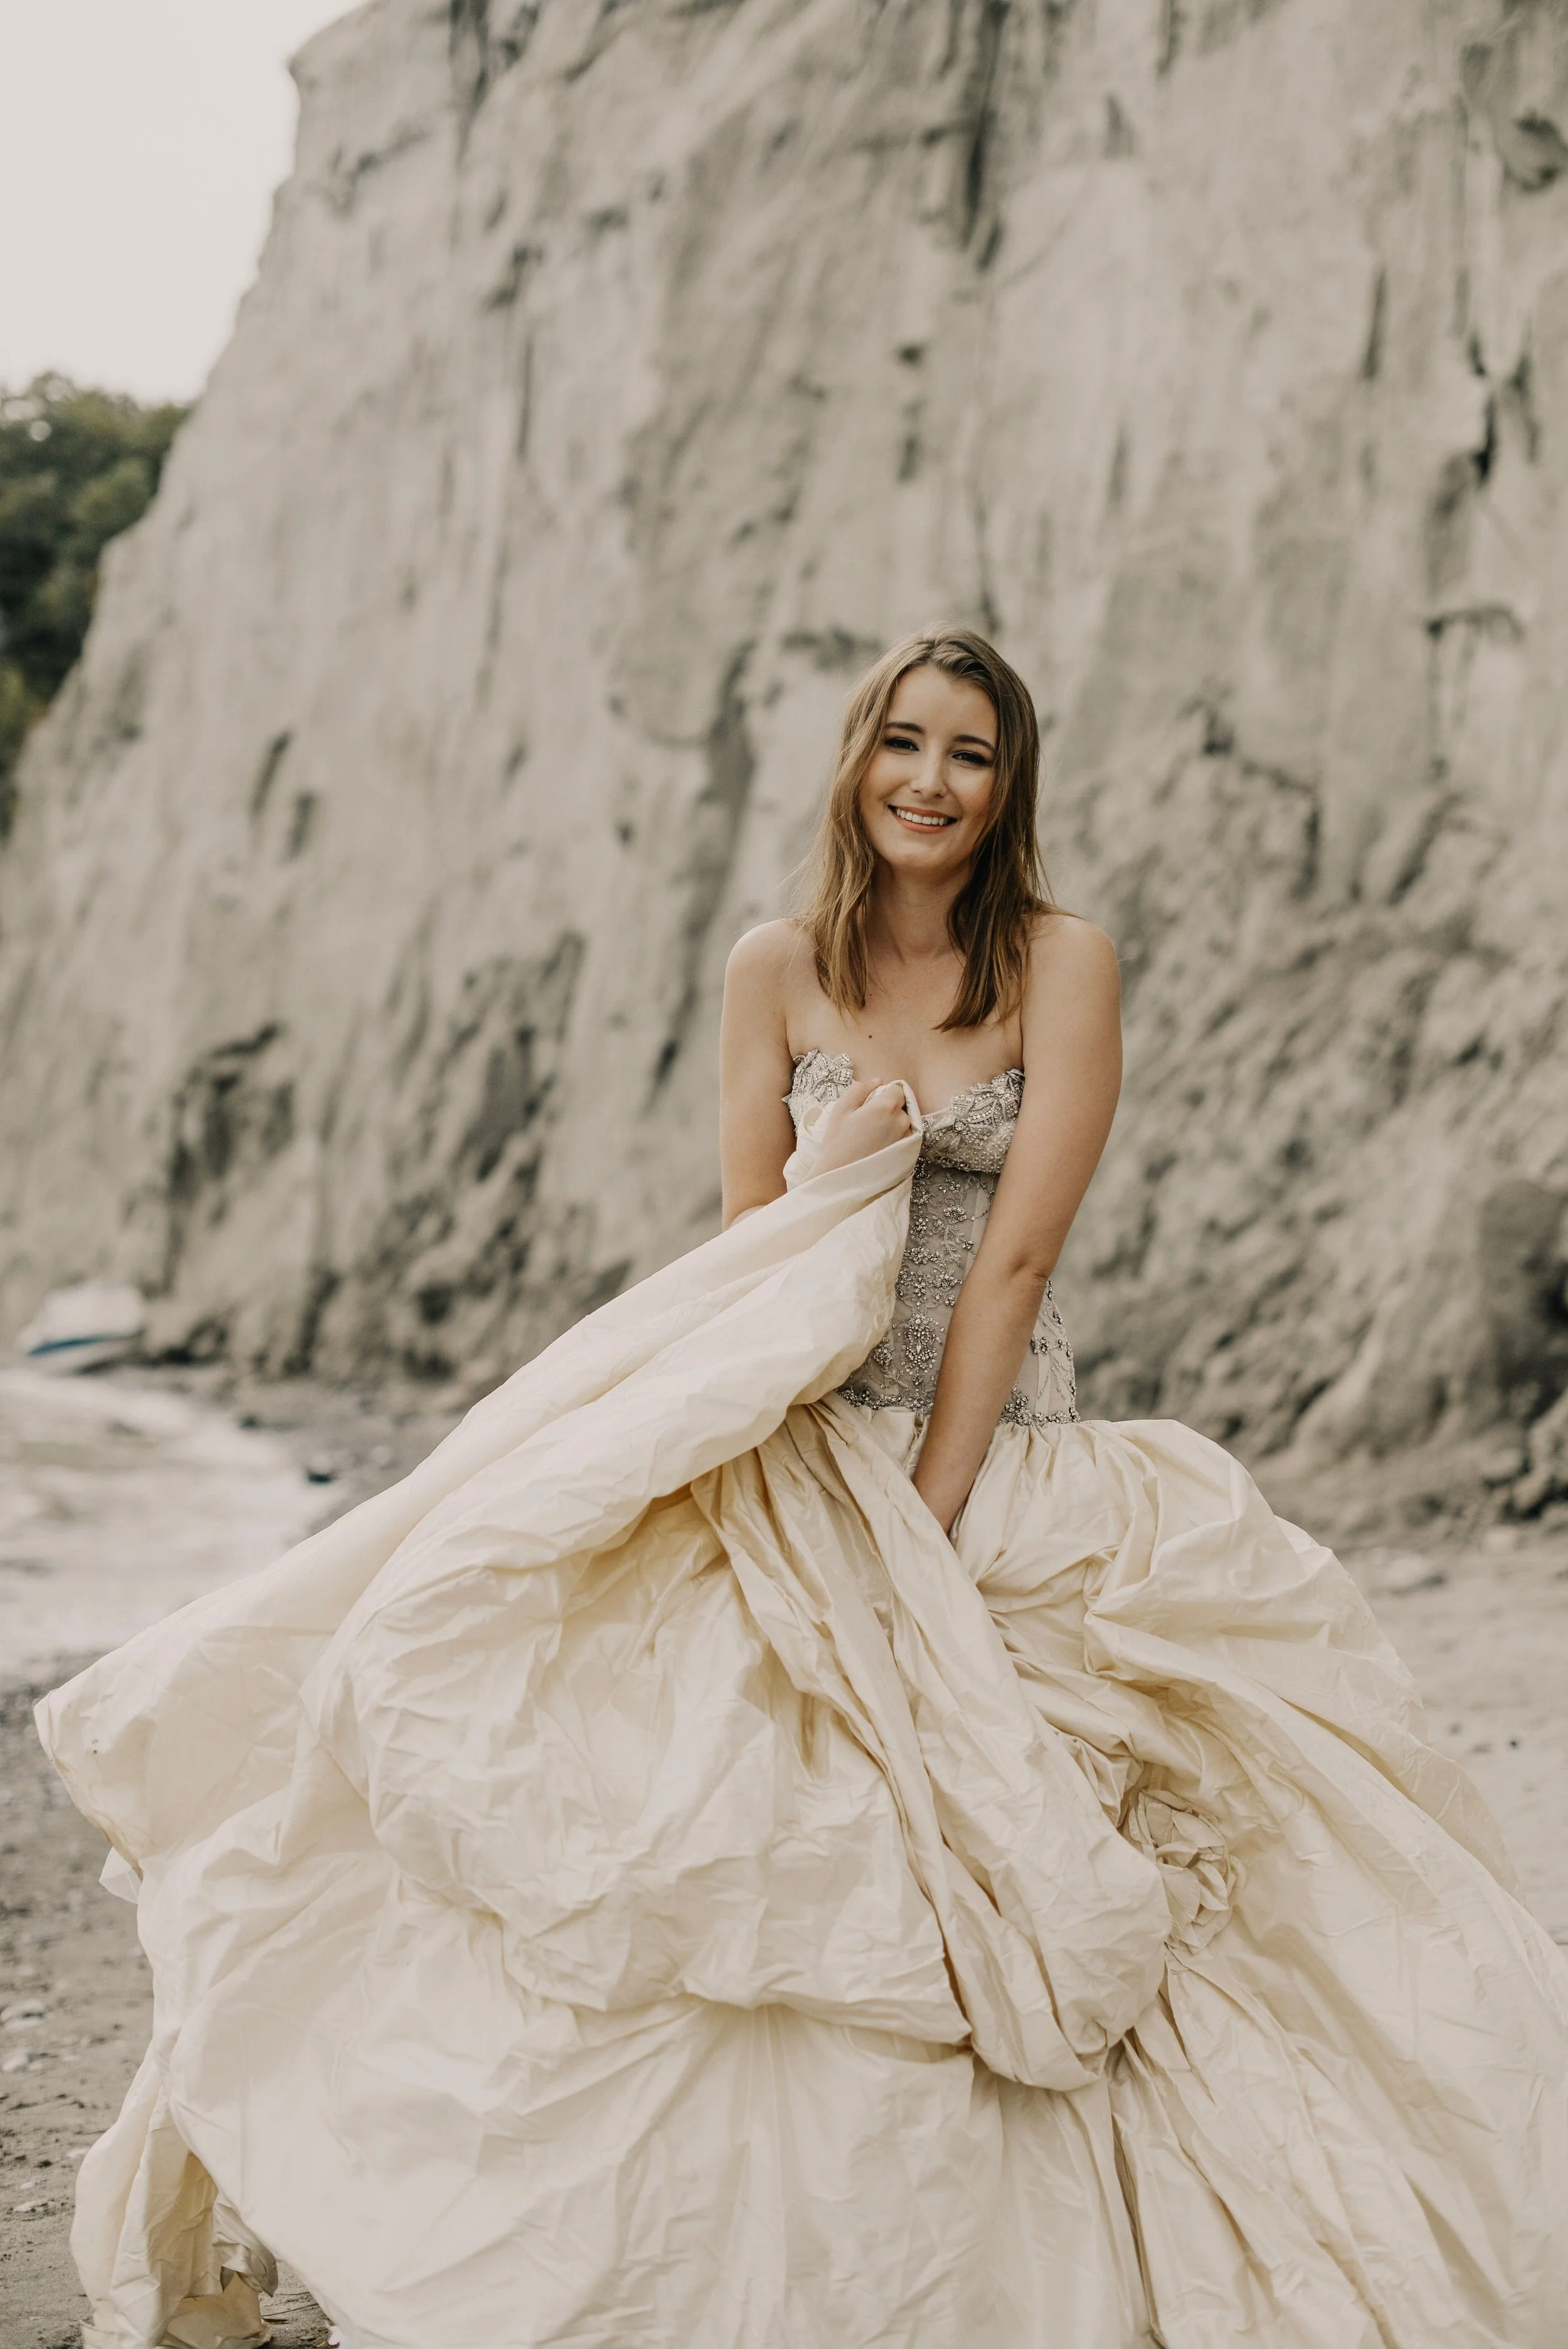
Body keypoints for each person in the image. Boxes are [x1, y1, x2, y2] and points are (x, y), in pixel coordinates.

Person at [38, 629, 1568, 2349]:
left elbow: (1015, 1258)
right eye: (900, 743)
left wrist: (922, 1514)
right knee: (640, 1778)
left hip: (1003, 1451)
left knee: (1078, 1816)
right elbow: (748, 1260)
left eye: (969, 754)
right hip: (794, 1443)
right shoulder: (774, 965)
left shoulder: (1065, 962)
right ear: (855, 763)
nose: (928, 780)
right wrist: (819, 1253)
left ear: (1011, 786)